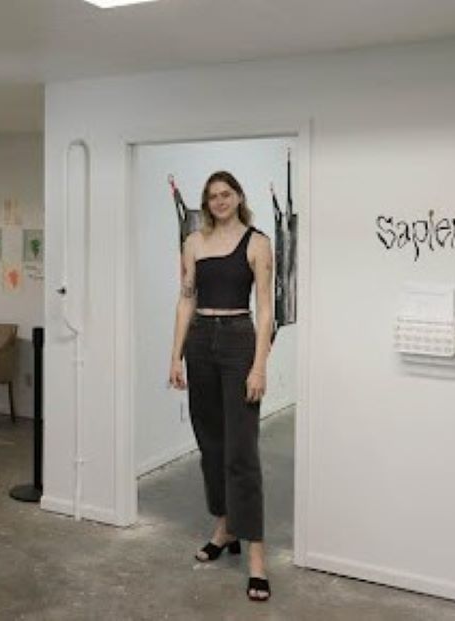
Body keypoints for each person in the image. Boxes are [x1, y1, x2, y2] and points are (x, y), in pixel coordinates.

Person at [168, 170, 274, 602]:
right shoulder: (193, 243)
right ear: (206, 202)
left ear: (239, 197)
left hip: (237, 341)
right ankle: (224, 527)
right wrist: (175, 354)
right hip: (200, 343)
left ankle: (256, 556)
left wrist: (260, 366)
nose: (219, 201)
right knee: (210, 444)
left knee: (241, 451)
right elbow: (186, 298)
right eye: (212, 196)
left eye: (226, 194)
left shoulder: (257, 243)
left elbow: (266, 308)